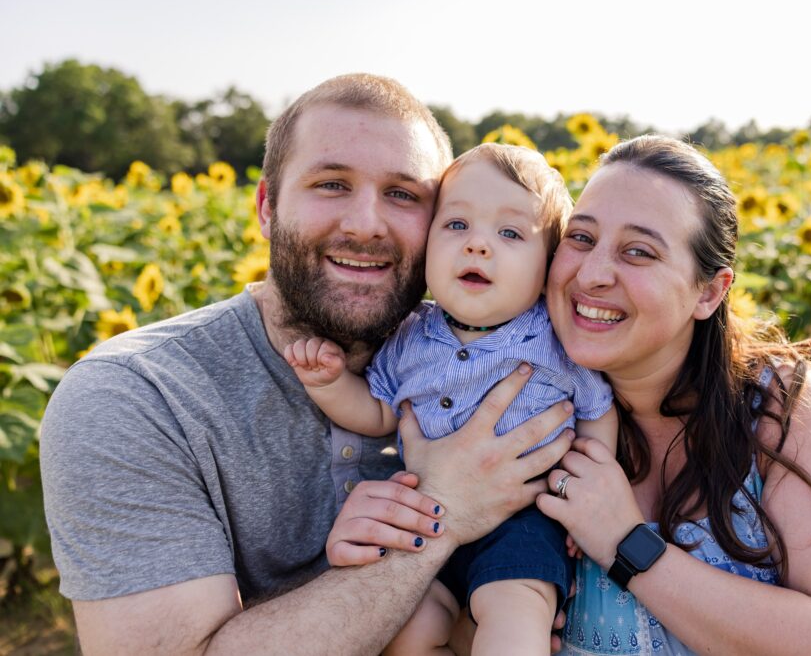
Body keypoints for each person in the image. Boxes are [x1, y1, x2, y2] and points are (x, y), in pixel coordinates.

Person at [39, 74, 575, 655]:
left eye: (403, 195)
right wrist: (448, 508)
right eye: (331, 184)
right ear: (267, 208)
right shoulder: (137, 398)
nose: (366, 223)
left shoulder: (512, 353)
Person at [533, 135, 811, 655]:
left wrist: (627, 545)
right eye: (580, 238)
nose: (592, 274)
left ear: (709, 291)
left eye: (638, 252)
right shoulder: (519, 404)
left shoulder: (783, 409)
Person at [284, 143, 616, 655]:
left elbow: (596, 412)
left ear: (548, 264)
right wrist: (329, 384)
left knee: (516, 614)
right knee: (409, 628)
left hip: (523, 519)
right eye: (456, 225)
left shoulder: (553, 339)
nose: (477, 246)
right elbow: (377, 414)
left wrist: (580, 498)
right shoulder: (409, 336)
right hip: (425, 515)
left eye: (509, 234)